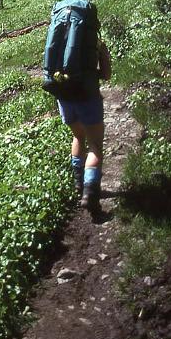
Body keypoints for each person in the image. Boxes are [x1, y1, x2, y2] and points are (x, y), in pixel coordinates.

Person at [57, 38, 111, 211]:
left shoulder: (58, 37)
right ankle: (90, 194)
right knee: (95, 145)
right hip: (88, 96)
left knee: (78, 136)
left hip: (64, 96)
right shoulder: (94, 40)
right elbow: (107, 75)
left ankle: (78, 184)